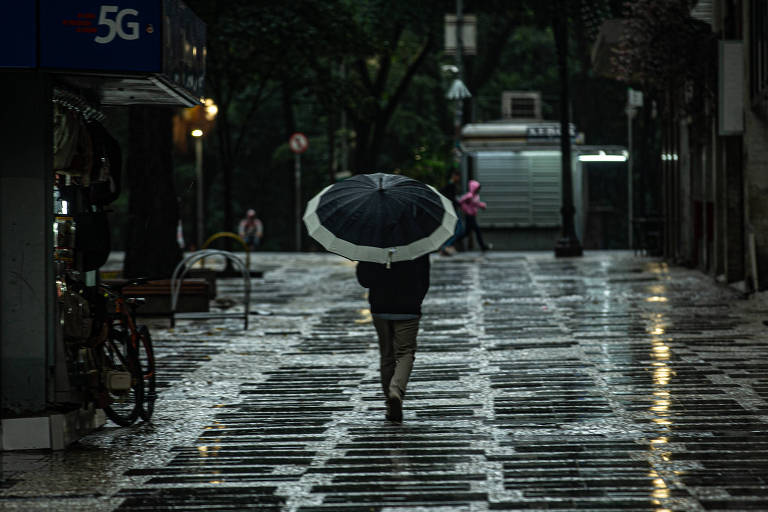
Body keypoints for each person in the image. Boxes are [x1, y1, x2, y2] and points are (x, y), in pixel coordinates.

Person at [356, 254, 431, 423]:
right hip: (408, 306)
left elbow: (364, 280)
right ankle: (395, 391)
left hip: (380, 305)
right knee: (406, 352)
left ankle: (391, 406)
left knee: (387, 355)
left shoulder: (372, 242)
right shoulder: (417, 242)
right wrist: (417, 298)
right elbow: (424, 277)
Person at [456, 179, 491, 251]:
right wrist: (465, 208)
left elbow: (476, 204)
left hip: (472, 216)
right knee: (477, 230)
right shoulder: (469, 195)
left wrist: (482, 205)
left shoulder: (476, 196)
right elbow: (460, 201)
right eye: (477, 188)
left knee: (466, 232)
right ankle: (483, 246)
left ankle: (455, 240)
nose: (478, 190)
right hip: (469, 216)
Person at [439, 170, 463, 256]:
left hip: (451, 210)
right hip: (453, 210)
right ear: (454, 176)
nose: (459, 178)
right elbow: (451, 197)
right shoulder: (451, 185)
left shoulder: (450, 185)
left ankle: (446, 246)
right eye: (458, 176)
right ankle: (446, 246)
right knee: (459, 229)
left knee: (456, 229)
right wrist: (459, 203)